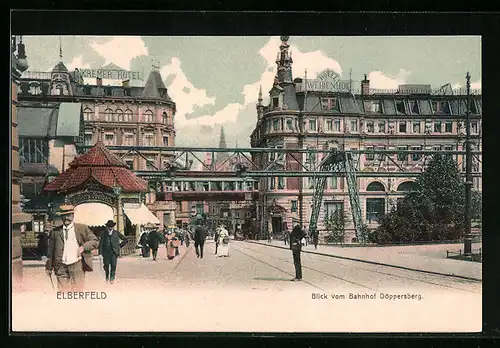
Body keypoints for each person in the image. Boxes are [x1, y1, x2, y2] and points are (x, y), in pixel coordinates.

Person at [45, 205, 99, 291]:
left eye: (69, 215)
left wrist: (83, 247)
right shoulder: (55, 232)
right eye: (64, 215)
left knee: (78, 291)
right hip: (60, 266)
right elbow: (50, 252)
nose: (66, 218)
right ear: (61, 217)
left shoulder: (82, 228)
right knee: (63, 293)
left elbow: (95, 241)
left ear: (73, 216)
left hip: (77, 265)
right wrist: (48, 267)